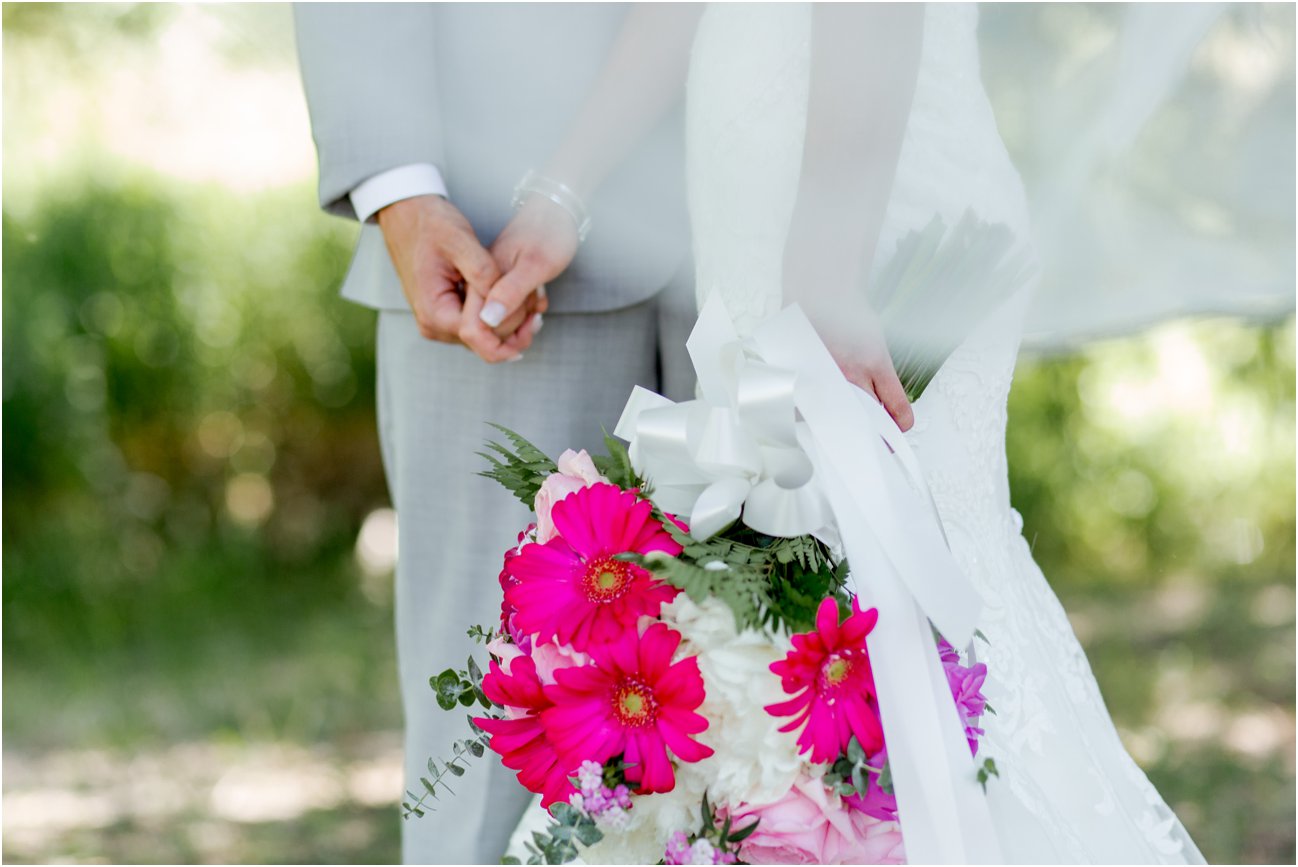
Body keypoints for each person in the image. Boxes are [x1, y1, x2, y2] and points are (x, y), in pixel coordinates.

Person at [499, 4, 1209, 862]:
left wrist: (828, 265)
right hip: (778, 215)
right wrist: (563, 193)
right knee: (795, 597)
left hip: (860, 212)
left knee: (892, 594)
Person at [291, 5, 697, 863]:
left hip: (801, 223)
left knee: (799, 730)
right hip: (492, 237)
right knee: (489, 747)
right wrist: (400, 189)